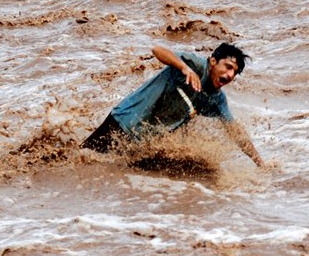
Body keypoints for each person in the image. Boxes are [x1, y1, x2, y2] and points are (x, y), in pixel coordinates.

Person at [82, 42, 265, 167]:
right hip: (123, 123)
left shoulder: (216, 99)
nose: (230, 75)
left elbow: (235, 131)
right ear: (213, 61)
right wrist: (183, 67)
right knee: (83, 159)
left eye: (235, 72)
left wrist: (260, 164)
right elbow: (157, 50)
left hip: (141, 143)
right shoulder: (196, 65)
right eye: (228, 67)